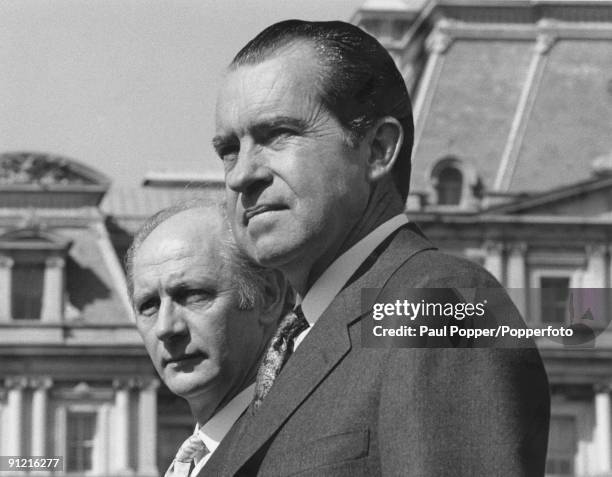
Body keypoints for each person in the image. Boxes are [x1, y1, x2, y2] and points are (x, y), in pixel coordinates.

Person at [206, 19, 551, 476]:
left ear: (378, 150)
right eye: (229, 149)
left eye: (277, 134)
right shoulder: (289, 344)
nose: (239, 175)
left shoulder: (438, 304)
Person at [125, 201, 286, 477]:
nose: (166, 327)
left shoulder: (307, 439)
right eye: (148, 305)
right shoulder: (190, 461)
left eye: (193, 295)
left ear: (267, 295)